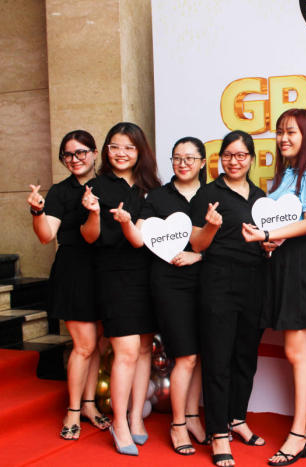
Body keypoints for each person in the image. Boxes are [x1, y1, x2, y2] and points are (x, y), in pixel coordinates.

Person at [241, 108, 306, 466]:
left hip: (305, 263)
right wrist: (271, 240)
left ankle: (299, 436)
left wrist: (267, 233)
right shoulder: (287, 173)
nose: (283, 138)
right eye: (280, 132)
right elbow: (286, 222)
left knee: (298, 350)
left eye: (291, 132)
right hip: (285, 261)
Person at [114, 136, 208, 455]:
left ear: (202, 162)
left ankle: (192, 417)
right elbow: (140, 238)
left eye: (190, 158)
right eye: (177, 158)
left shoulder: (212, 195)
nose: (183, 163)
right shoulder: (157, 197)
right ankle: (178, 424)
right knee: (185, 355)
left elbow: (225, 240)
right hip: (169, 284)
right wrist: (127, 224)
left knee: (200, 355)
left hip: (208, 282)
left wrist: (200, 256)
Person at [80, 122, 160, 456]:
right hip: (114, 276)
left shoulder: (151, 188)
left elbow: (150, 237)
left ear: (140, 151)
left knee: (143, 350)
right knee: (126, 351)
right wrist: (93, 213)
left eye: (129, 147)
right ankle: (120, 423)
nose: (121, 153)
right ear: (106, 150)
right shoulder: (96, 187)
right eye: (115, 146)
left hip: (149, 275)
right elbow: (89, 237)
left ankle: (136, 418)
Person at [190, 130, 268, 467]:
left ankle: (237, 419)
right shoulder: (208, 194)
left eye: (241, 155)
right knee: (218, 359)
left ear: (251, 158)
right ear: (219, 158)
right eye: (228, 155)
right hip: (218, 282)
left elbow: (263, 240)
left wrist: (268, 244)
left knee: (245, 358)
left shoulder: (261, 197)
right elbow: (196, 245)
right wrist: (210, 227)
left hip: (255, 282)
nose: (234, 161)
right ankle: (218, 432)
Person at [27, 130, 111, 440]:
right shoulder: (60, 192)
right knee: (84, 345)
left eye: (81, 152)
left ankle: (89, 405)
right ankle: (73, 410)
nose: (74, 159)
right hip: (74, 271)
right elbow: (46, 235)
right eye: (68, 155)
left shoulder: (108, 185)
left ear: (94, 153)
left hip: (106, 270)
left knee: (98, 343)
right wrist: (37, 211)